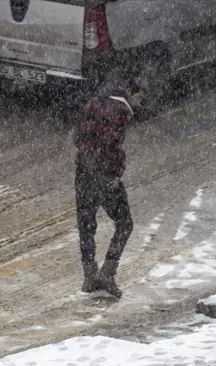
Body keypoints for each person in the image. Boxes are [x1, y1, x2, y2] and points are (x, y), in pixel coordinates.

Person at [73, 79, 145, 299]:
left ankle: (89, 276)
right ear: (130, 92)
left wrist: (87, 161)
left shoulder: (94, 103)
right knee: (125, 223)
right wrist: (116, 171)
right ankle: (108, 273)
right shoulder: (119, 112)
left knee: (86, 225)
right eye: (140, 99)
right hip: (104, 175)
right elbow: (110, 145)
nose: (140, 105)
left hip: (83, 172)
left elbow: (78, 137)